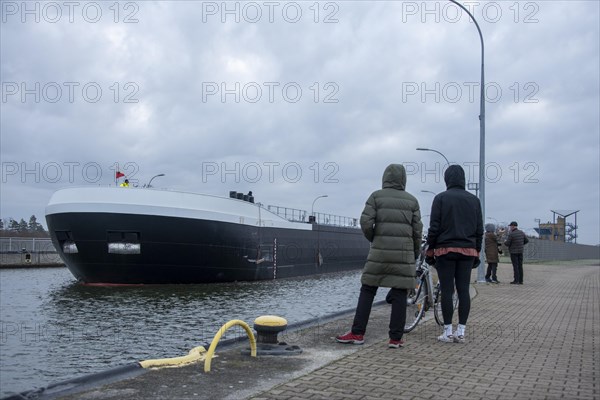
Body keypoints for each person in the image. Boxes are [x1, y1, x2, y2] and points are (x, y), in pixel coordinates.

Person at [336, 164, 422, 348]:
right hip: (403, 255)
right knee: (399, 292)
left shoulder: (376, 196)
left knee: (368, 289)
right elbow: (417, 231)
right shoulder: (412, 201)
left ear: (385, 178)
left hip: (379, 253)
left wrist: (374, 238)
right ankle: (395, 339)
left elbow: (365, 221)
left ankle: (358, 333)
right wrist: (414, 253)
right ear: (403, 180)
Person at [426, 165, 483, 344]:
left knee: (447, 290)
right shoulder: (474, 200)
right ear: (463, 179)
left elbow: (434, 228)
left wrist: (430, 249)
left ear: (447, 179)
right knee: (463, 289)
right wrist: (477, 252)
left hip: (445, 250)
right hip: (468, 251)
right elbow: (479, 230)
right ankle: (461, 332)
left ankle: (448, 332)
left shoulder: (440, 198)